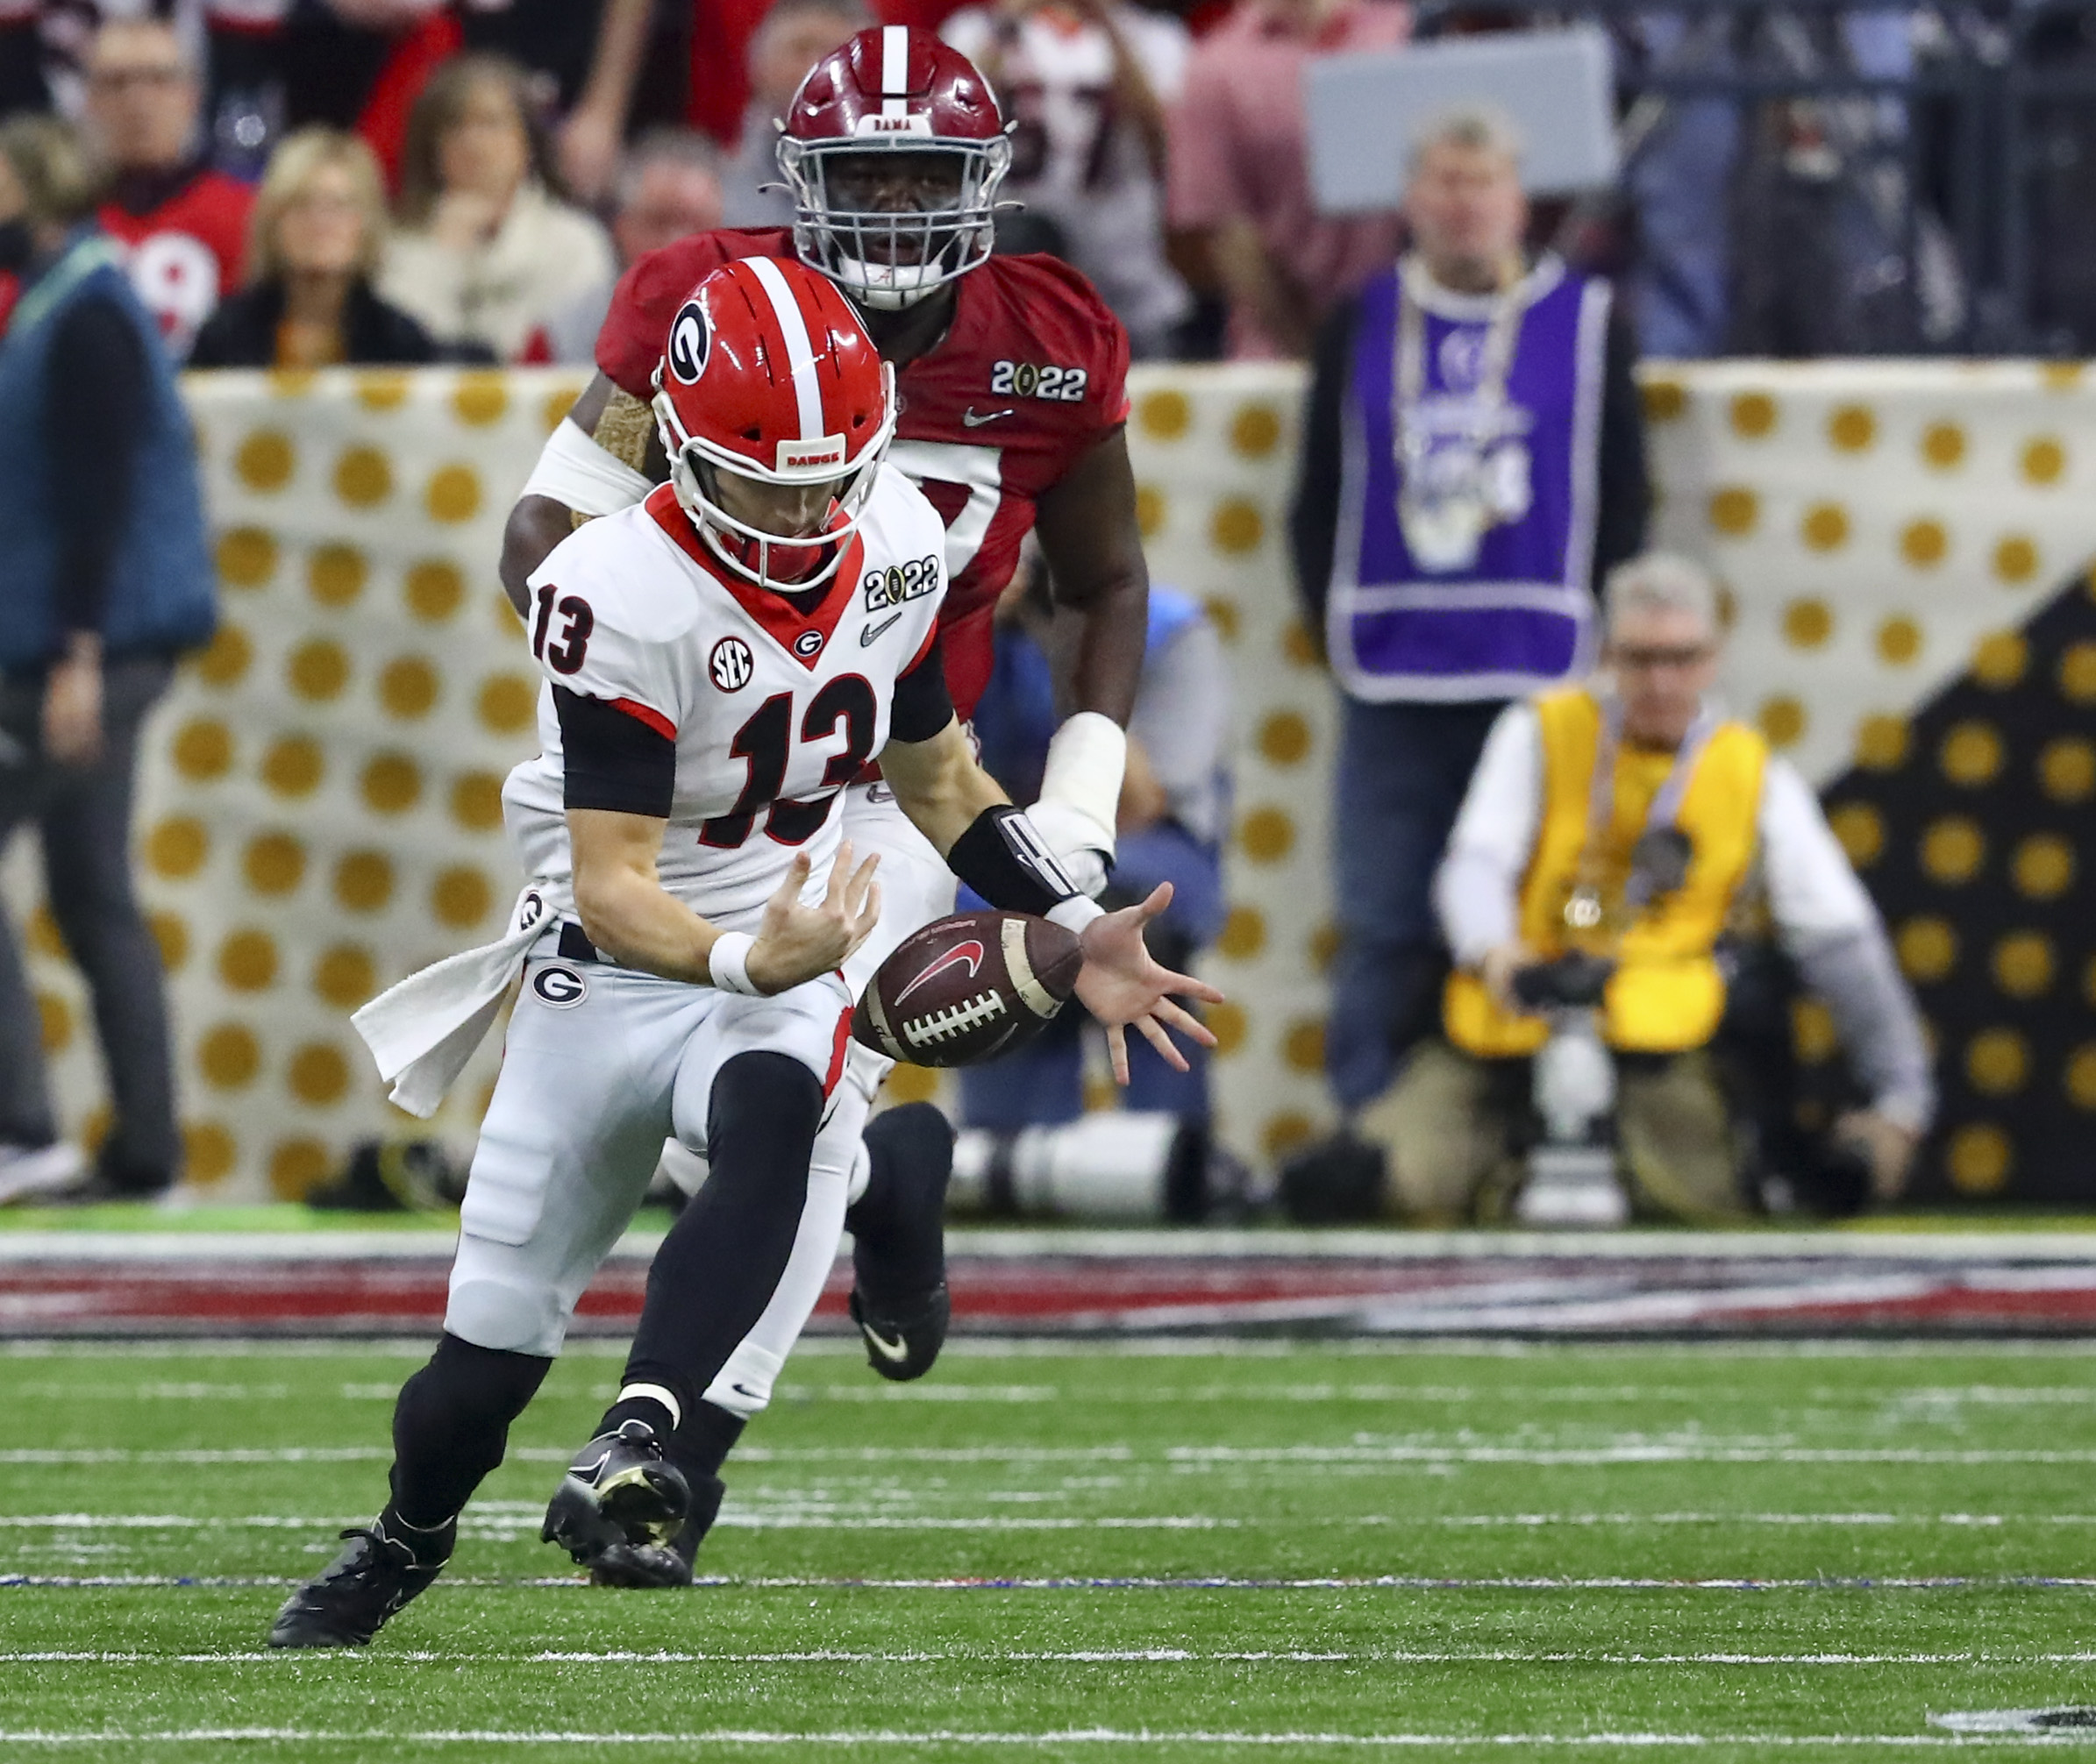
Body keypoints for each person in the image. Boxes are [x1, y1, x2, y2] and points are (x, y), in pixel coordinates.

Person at [266, 255, 1216, 1647]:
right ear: (683, 453)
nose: (798, 511)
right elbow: (611, 886)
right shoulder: (609, 588)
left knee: (779, 1104)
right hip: (620, 963)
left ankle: (643, 1435)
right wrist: (740, 964)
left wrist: (1072, 928)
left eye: (826, 478)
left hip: (788, 918)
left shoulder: (886, 534)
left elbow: (939, 777)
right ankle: (402, 1542)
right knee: (473, 1381)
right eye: (763, 481)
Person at [496, 25, 1151, 1586]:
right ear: (799, 176)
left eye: (929, 173)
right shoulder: (695, 299)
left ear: (989, 182)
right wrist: (650, 697)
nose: (899, 205)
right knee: (686, 1130)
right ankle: (902, 1196)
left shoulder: (1049, 336)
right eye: (868, 173)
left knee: (805, 1098)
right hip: (703, 776)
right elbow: (543, 532)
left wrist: (1079, 805)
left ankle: (673, 1464)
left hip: (892, 779)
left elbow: (1105, 577)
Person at [1363, 552, 1932, 1222]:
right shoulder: (1541, 731)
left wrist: (1900, 1098)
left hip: (1660, 1036)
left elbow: (1838, 937)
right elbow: (1475, 865)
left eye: (1682, 658)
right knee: (1397, 1182)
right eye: (1639, 659)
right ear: (1607, 656)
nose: (1661, 681)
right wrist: (1493, 951)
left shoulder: (1748, 770)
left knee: (1701, 1204)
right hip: (1513, 1014)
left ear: (1714, 659)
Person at [1290, 105, 1650, 1125]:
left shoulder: (1587, 321)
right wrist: (1328, 621)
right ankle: (1364, 1132)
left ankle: (1546, 1122)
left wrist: (1608, 643)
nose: (1461, 204)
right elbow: (1318, 492)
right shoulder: (1358, 319)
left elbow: (1621, 496)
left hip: (1538, 669)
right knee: (1382, 916)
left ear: (1516, 196)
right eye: (1442, 182)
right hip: (1391, 665)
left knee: (1543, 904)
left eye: (1480, 182)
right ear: (1409, 197)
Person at [0, 116, 216, 1207]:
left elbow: (95, 494)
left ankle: (23, 1121)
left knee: (93, 888)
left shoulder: (81, 308)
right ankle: (142, 1149)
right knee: (90, 889)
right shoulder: (71, 294)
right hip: (96, 635)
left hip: (96, 639)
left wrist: (76, 651)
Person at [962, 555, 1230, 1127]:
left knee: (1106, 914)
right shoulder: (966, 632)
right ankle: (1006, 1155)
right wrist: (963, 631)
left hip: (1146, 851)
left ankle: (1167, 1151)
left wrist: (1070, 649)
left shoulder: (1173, 629)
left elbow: (1139, 805)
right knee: (991, 920)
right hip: (1008, 857)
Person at [942, 0, 1191, 358]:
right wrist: (1006, 28)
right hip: (1010, 262)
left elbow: (1166, 144)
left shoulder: (1157, 38)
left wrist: (1107, 26)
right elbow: (952, 128)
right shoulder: (972, 32)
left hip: (1121, 271)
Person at [1164, 0, 1407, 360]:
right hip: (1282, 349)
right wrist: (1313, 355)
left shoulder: (1409, 35)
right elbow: (1225, 232)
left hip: (1419, 336)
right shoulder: (1216, 67)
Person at [376, 52, 616, 361]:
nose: (473, 142)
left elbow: (573, 352)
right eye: (455, 126)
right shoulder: (398, 242)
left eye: (491, 123)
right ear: (432, 147)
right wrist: (442, 251)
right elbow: (394, 350)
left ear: (528, 141)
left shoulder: (576, 241)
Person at [189, 126, 446, 368]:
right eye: (301, 204)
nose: (321, 223)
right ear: (271, 223)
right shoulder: (223, 335)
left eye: (339, 206)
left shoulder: (402, 343)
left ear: (368, 224)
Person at [82, 16, 253, 360]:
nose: (137, 100)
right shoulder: (56, 220)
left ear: (192, 95)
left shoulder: (248, 215)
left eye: (158, 80)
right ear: (90, 101)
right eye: (117, 83)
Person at [542, 128, 725, 365]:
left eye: (697, 225)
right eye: (659, 222)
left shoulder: (751, 322)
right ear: (622, 227)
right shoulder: (564, 333)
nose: (678, 244)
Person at [717, 0, 871, 230]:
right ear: (759, 65)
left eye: (833, 53)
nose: (814, 66)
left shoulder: (897, 184)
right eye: (800, 48)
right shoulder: (711, 186)